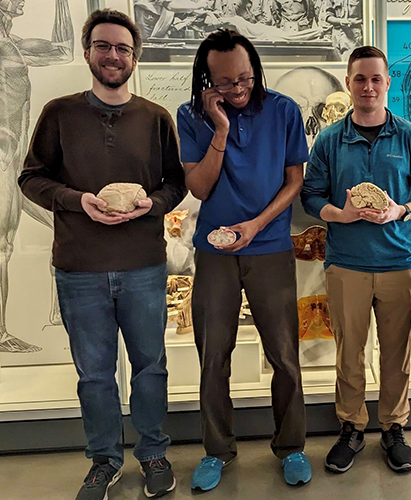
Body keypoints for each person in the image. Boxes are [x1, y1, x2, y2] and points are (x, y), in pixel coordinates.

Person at [18, 9, 186, 500]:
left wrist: (150, 205)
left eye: (123, 48)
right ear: (88, 51)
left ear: (135, 57)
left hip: (144, 267)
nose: (113, 56)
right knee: (94, 374)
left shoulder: (156, 117)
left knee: (150, 366)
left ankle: (153, 452)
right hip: (79, 268)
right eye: (104, 46)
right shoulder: (59, 113)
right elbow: (32, 177)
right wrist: (78, 201)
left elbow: (175, 183)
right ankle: (104, 461)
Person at [176, 29, 311, 490]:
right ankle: (217, 450)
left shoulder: (283, 110)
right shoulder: (191, 116)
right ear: (205, 80)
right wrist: (220, 129)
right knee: (214, 355)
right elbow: (199, 187)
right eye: (226, 83)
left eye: (245, 79)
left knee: (284, 354)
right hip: (214, 252)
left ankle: (291, 446)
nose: (237, 90)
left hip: (270, 246)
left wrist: (256, 225)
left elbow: (295, 180)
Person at [301, 46, 411, 473]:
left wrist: (401, 210)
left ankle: (393, 427)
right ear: (348, 83)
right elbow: (311, 196)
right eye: (359, 79)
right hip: (347, 265)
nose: (367, 87)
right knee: (349, 353)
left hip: (400, 262)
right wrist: (340, 214)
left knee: (397, 353)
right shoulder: (329, 140)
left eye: (375, 79)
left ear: (387, 84)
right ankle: (352, 427)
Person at [0, 0, 74, 353]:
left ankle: (58, 315)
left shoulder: (14, 45)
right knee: (2, 245)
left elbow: (64, 50)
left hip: (20, 160)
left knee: (63, 225)